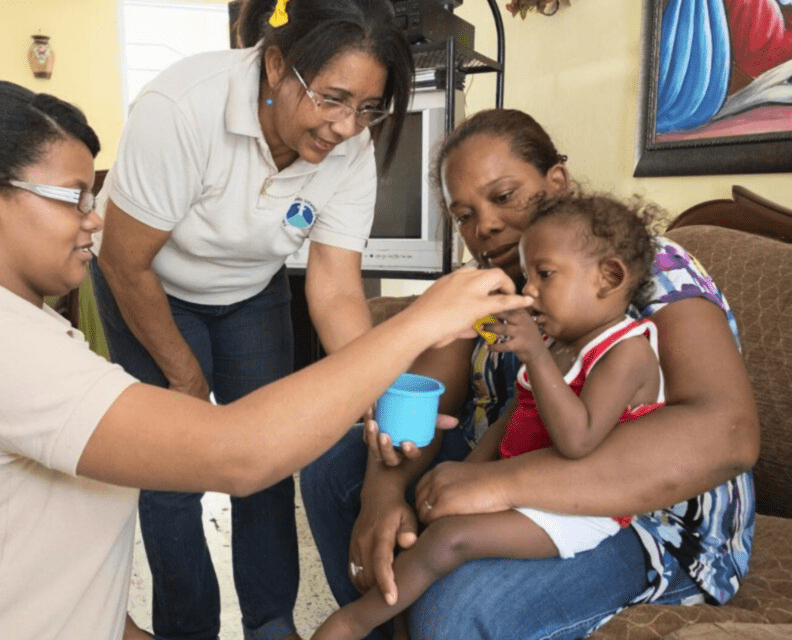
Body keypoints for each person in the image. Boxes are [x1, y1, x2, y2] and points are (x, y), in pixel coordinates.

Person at [0, 81, 531, 640]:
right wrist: (420, 321)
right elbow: (238, 454)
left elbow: (60, 581)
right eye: (74, 198)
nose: (93, 221)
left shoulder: (28, 334)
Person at [300, 108, 759, 640]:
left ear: (555, 182)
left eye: (503, 196)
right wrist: (381, 498)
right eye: (463, 214)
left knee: (454, 607)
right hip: (515, 478)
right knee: (335, 467)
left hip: (653, 522)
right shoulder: (481, 288)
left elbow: (727, 433)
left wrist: (492, 484)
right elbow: (419, 399)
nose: (485, 226)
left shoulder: (646, 271)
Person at [89, 0, 414, 638]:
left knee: (267, 460)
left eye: (367, 108)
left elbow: (336, 287)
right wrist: (186, 383)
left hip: (249, 291)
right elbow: (126, 263)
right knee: (174, 473)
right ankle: (188, 628)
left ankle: (271, 624)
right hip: (148, 284)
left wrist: (375, 391)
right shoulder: (184, 108)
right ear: (275, 65)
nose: (347, 127)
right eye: (332, 99)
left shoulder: (350, 147)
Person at [310, 191, 666, 640]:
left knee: (448, 542)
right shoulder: (562, 343)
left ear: (609, 277)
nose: (530, 289)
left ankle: (353, 622)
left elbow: (579, 440)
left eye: (545, 274)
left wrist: (534, 355)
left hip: (582, 512)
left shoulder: (626, 353)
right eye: (528, 273)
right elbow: (514, 418)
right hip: (528, 489)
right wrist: (465, 473)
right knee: (424, 527)